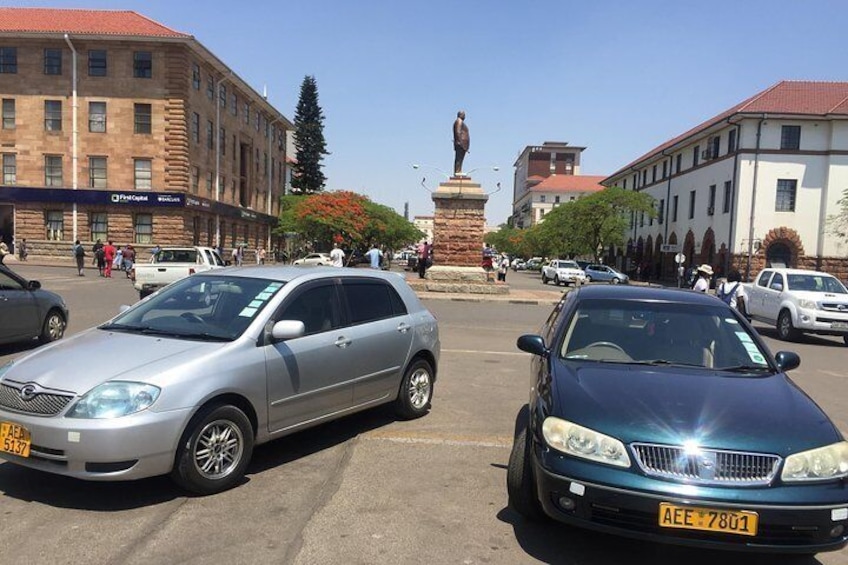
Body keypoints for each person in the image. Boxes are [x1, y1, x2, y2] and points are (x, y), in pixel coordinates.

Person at [453, 110, 470, 176]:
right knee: (459, 158)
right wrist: (460, 142)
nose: (464, 116)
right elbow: (458, 131)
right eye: (463, 114)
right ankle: (457, 171)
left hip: (462, 144)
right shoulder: (459, 121)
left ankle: (459, 171)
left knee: (460, 159)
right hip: (460, 143)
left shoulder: (460, 121)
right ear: (460, 115)